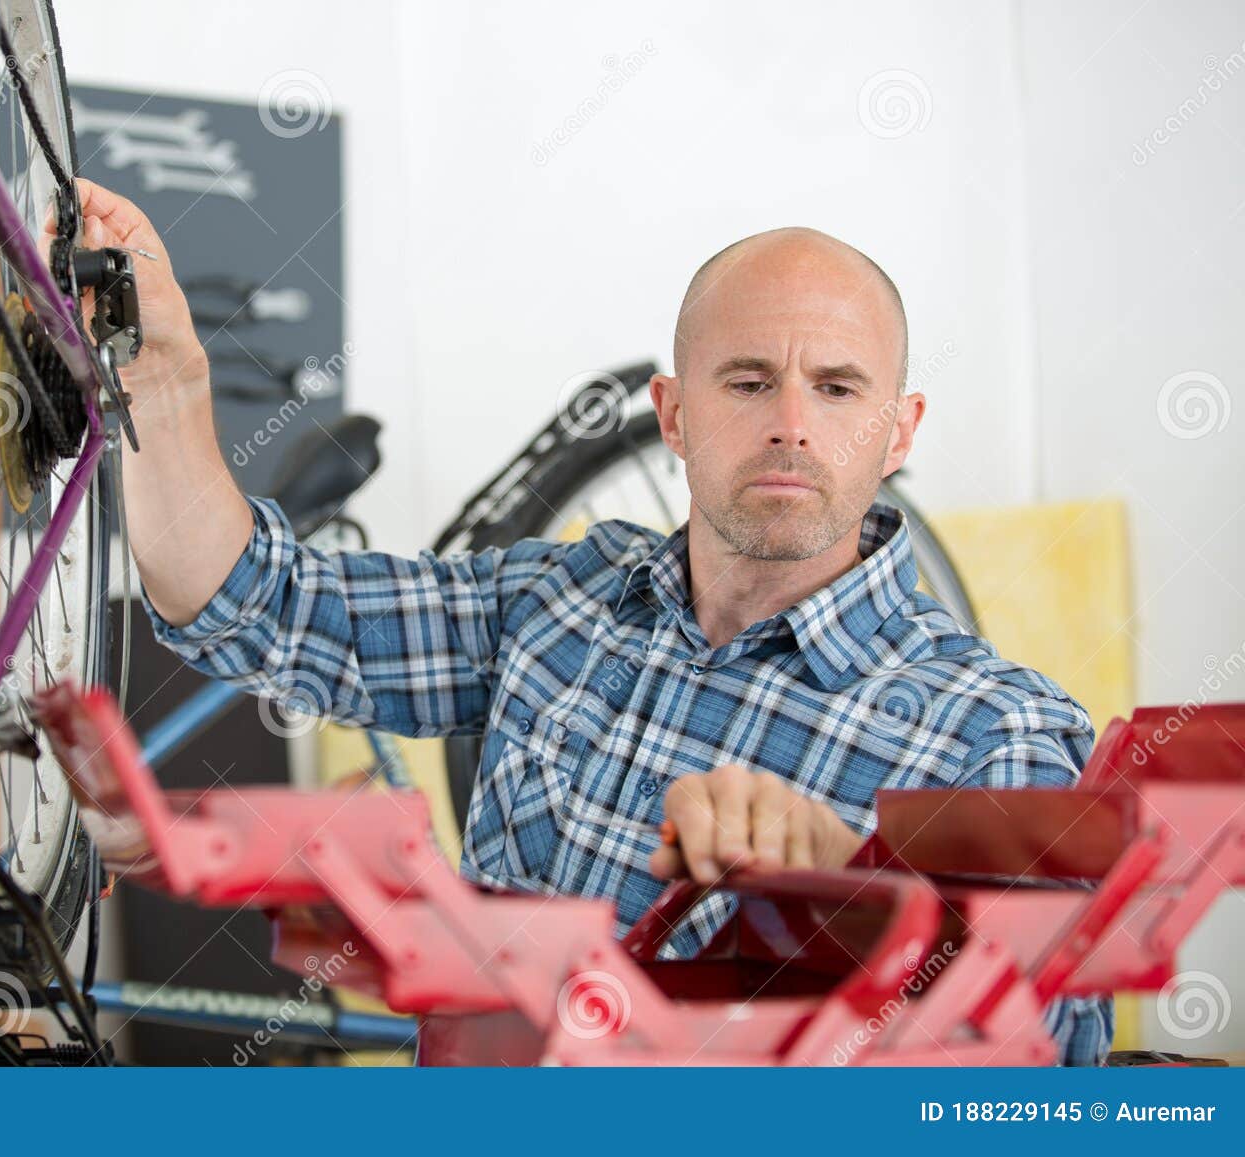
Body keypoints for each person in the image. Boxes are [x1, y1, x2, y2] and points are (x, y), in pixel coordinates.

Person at [55, 179, 1111, 1064]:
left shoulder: (996, 737)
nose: (791, 423)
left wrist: (863, 890)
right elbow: (259, 601)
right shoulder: (562, 599)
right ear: (675, 413)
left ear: (897, 430)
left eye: (838, 387)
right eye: (748, 380)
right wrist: (164, 373)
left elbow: (1042, 1075)